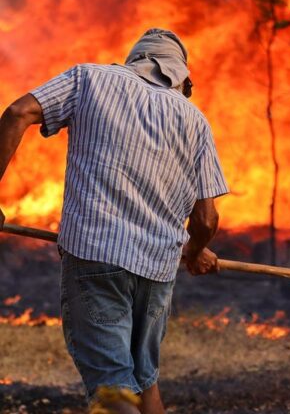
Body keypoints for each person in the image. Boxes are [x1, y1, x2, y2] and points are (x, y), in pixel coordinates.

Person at [0, 28, 228, 413]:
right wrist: (195, 250)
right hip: (157, 270)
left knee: (113, 387)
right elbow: (206, 218)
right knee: (144, 381)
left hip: (96, 254)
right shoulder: (196, 121)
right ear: (181, 77)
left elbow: (17, 112)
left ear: (135, 61)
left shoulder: (90, 79)